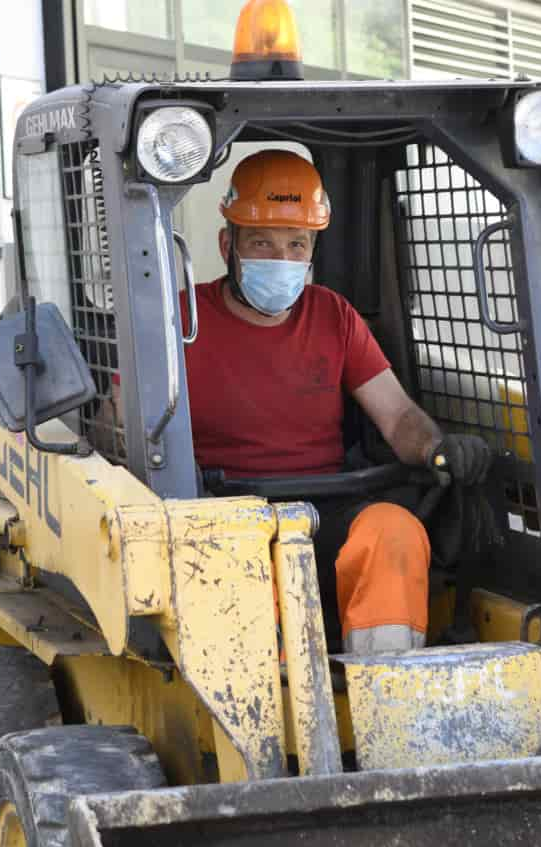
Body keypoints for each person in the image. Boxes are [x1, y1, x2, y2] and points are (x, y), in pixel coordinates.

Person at [183, 149, 490, 654]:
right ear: (227, 245)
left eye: (296, 244)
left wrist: (438, 449)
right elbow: (126, 425)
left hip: (329, 506)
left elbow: (397, 415)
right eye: (262, 243)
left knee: (395, 530)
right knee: (248, 578)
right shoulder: (181, 320)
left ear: (311, 252)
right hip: (227, 516)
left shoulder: (333, 316)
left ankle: (388, 694)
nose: (281, 260)